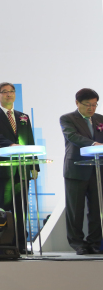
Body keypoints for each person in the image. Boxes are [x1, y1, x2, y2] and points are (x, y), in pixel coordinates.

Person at [0, 82, 38, 254]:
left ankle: (21, 245)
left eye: (11, 92)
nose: (8, 94)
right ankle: (4, 244)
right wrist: (12, 145)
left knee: (21, 208)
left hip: (22, 169)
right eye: (4, 92)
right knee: (4, 208)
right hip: (2, 169)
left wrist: (34, 165)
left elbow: (30, 140)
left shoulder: (23, 117)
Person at [59, 88, 103, 255]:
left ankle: (94, 242)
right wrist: (93, 144)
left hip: (98, 170)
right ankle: (77, 243)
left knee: (97, 209)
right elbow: (73, 137)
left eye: (94, 105)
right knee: (75, 210)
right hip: (76, 169)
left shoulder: (100, 119)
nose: (91, 108)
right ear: (77, 103)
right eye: (87, 105)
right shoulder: (67, 119)